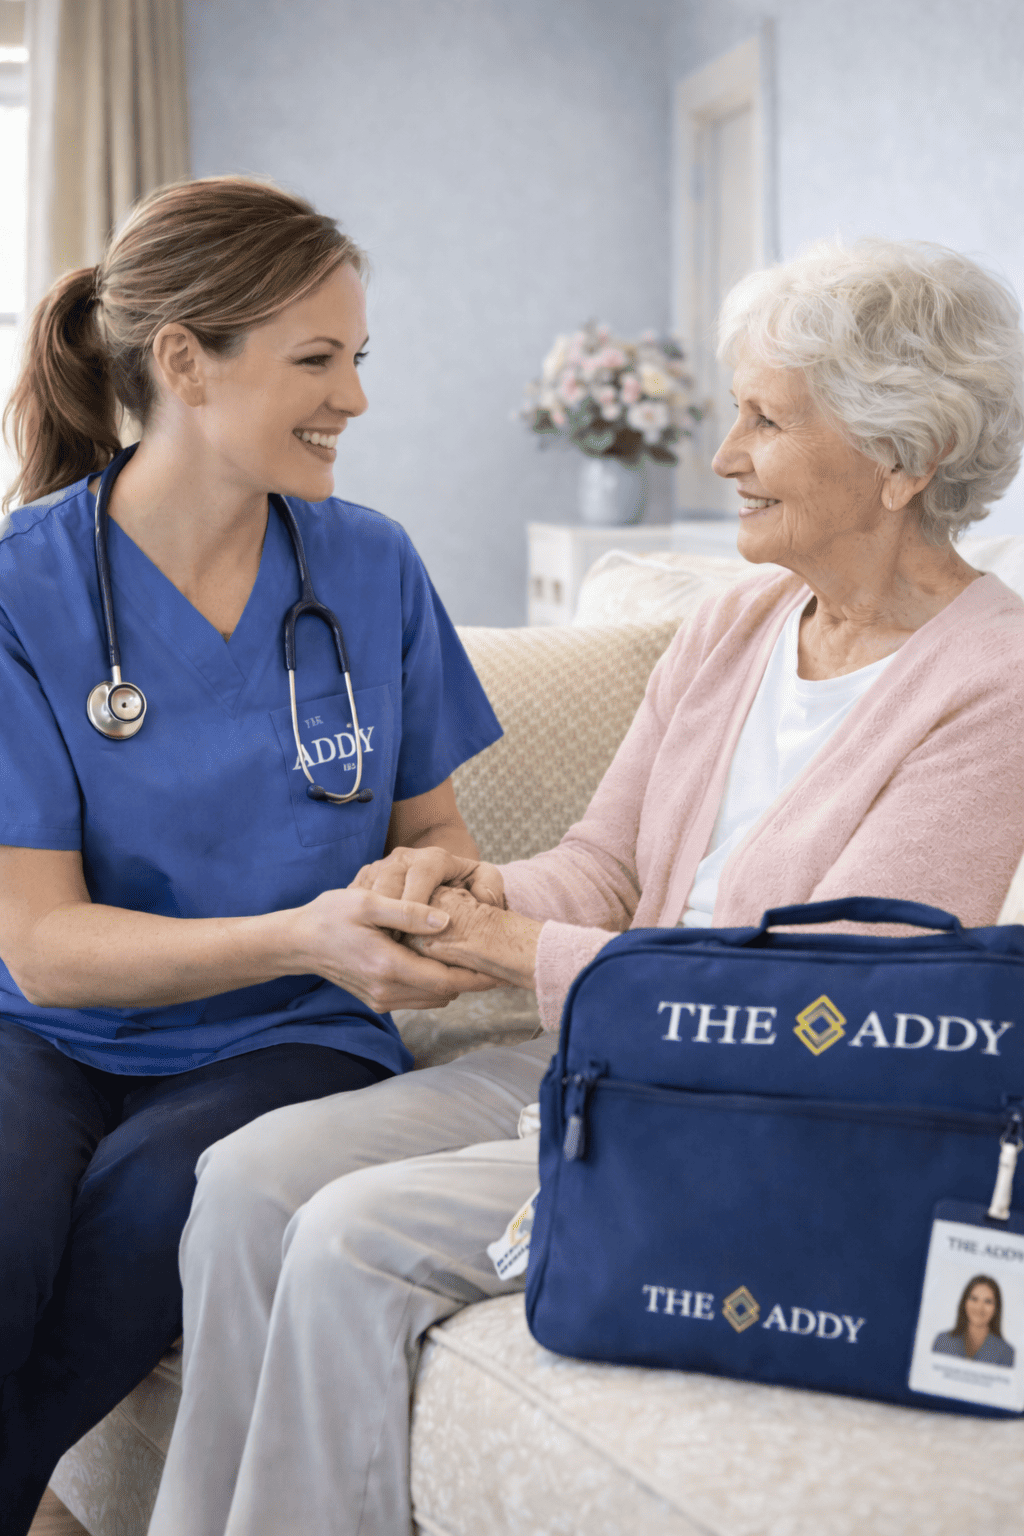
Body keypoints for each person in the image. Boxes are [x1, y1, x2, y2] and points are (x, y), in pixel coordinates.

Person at [150, 238, 1024, 1536]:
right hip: (591, 1063)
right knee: (240, 1180)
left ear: (905, 460)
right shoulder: (734, 623)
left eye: (766, 421)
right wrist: (469, 887)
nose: (723, 455)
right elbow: (605, 868)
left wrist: (515, 953)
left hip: (742, 1125)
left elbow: (818, 1012)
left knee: (348, 1241)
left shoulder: (991, 682)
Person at [0, 176, 504, 1535]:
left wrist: (422, 896)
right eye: (316, 360)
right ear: (184, 363)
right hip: (59, 1034)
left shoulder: (373, 568)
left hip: (294, 1036)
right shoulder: (20, 589)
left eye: (357, 359)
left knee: (154, 1204)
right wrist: (300, 926)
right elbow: (44, 951)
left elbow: (438, 833)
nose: (353, 397)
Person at [933, 1276, 1015, 1366]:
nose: (979, 1307)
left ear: (996, 1309)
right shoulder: (942, 1342)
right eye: (974, 1299)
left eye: (988, 1301)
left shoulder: (1006, 1353)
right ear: (964, 1303)